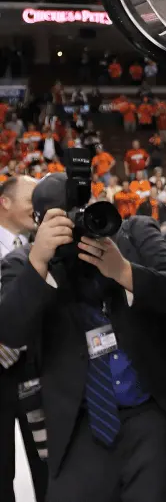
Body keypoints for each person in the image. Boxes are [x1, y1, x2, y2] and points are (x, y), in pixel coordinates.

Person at [0, 173, 166, 502]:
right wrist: (40, 261)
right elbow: (10, 330)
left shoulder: (134, 232)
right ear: (40, 223)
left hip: (152, 412)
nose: (77, 225)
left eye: (82, 210)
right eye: (62, 217)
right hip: (80, 425)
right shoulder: (24, 263)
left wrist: (123, 272)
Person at [0, 177, 48, 502]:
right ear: (5, 202)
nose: (39, 205)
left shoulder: (40, 246)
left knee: (48, 468)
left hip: (38, 372)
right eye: (33, 197)